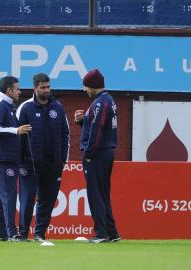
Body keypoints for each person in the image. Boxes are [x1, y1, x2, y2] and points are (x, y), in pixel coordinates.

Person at [16, 73, 70, 242]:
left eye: (48, 87)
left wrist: (62, 161)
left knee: (47, 200)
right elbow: (17, 137)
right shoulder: (25, 108)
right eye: (43, 87)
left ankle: (39, 234)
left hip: (53, 164)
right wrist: (20, 161)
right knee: (28, 199)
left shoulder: (58, 108)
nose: (47, 90)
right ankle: (23, 234)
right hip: (29, 163)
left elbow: (65, 135)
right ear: (35, 89)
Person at [74, 69, 120, 243]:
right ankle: (112, 233)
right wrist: (82, 121)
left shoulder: (100, 102)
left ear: (92, 86)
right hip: (105, 152)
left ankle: (101, 234)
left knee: (95, 194)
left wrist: (88, 153)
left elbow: (97, 129)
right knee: (102, 193)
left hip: (97, 154)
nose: (85, 90)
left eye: (86, 86)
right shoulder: (108, 100)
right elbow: (98, 125)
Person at [0, 76, 32, 242]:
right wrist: (16, 130)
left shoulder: (8, 106)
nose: (20, 92)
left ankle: (2, 233)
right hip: (3, 157)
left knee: (2, 195)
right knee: (9, 194)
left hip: (9, 156)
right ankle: (13, 233)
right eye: (18, 89)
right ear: (9, 91)